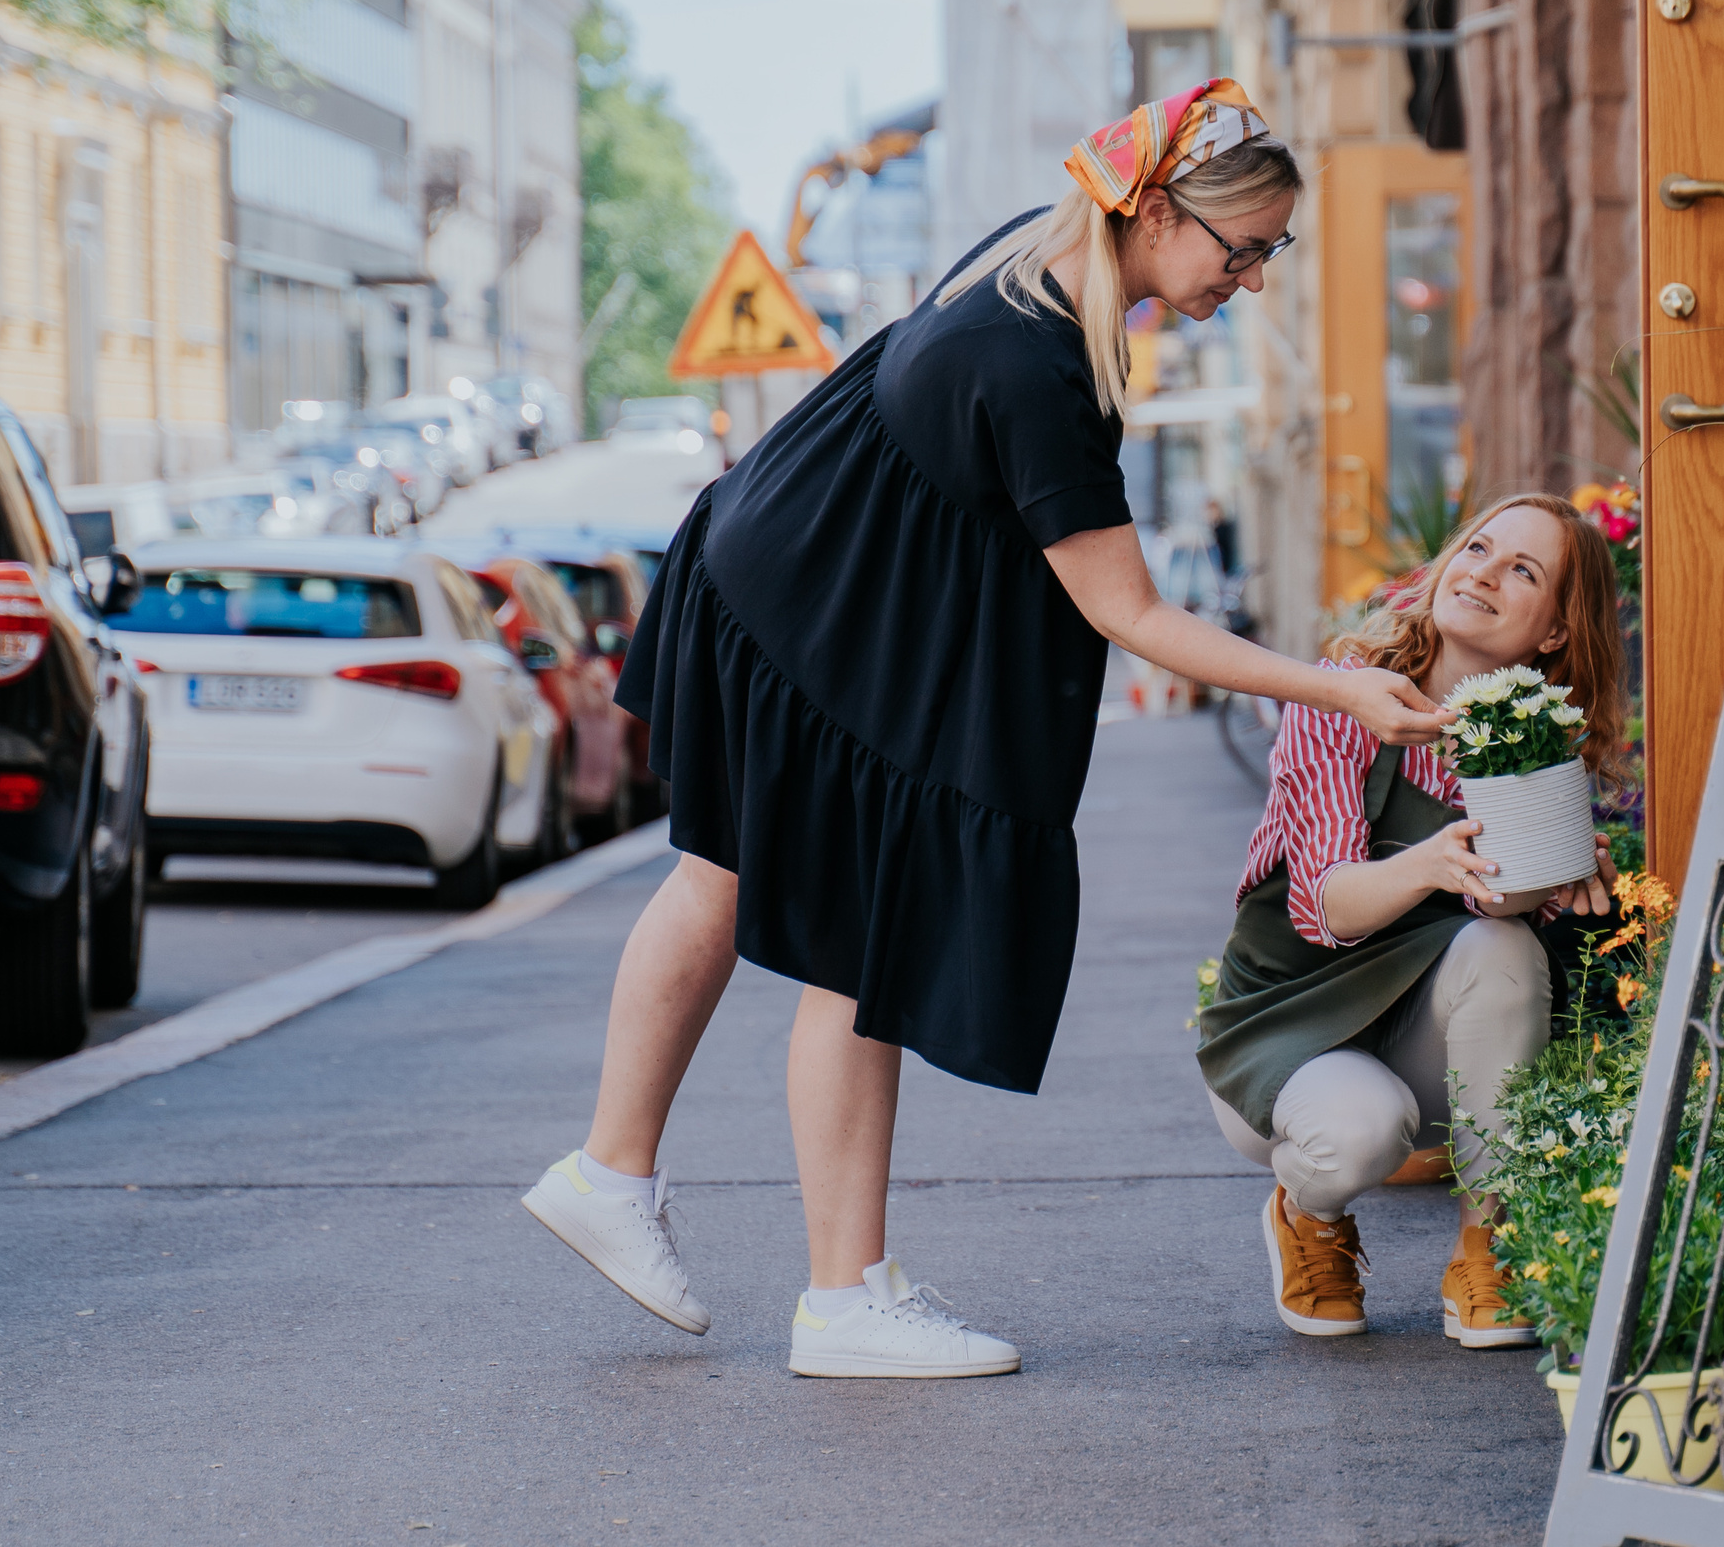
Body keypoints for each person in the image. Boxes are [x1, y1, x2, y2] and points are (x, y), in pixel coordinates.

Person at [521, 80, 1444, 1378]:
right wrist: (1340, 685)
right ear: (1161, 210)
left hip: (782, 585)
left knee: (728, 883)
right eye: (1244, 250)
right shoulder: (1040, 367)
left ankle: (618, 1175)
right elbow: (1131, 613)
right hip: (820, 623)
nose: (1252, 279)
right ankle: (837, 1297)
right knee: (852, 942)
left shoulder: (1037, 261)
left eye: (1271, 253)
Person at [1197, 496, 1625, 1346]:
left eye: (1523, 572)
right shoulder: (1339, 701)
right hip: (1290, 1028)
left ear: (1552, 634)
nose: (1485, 574)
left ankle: (1489, 1243)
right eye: (1478, 549)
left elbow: (1497, 909)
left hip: (1420, 1030)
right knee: (1358, 1135)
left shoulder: (1535, 751)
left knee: (1505, 944)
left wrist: (1559, 863)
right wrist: (1428, 862)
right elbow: (1323, 907)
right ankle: (1306, 1214)